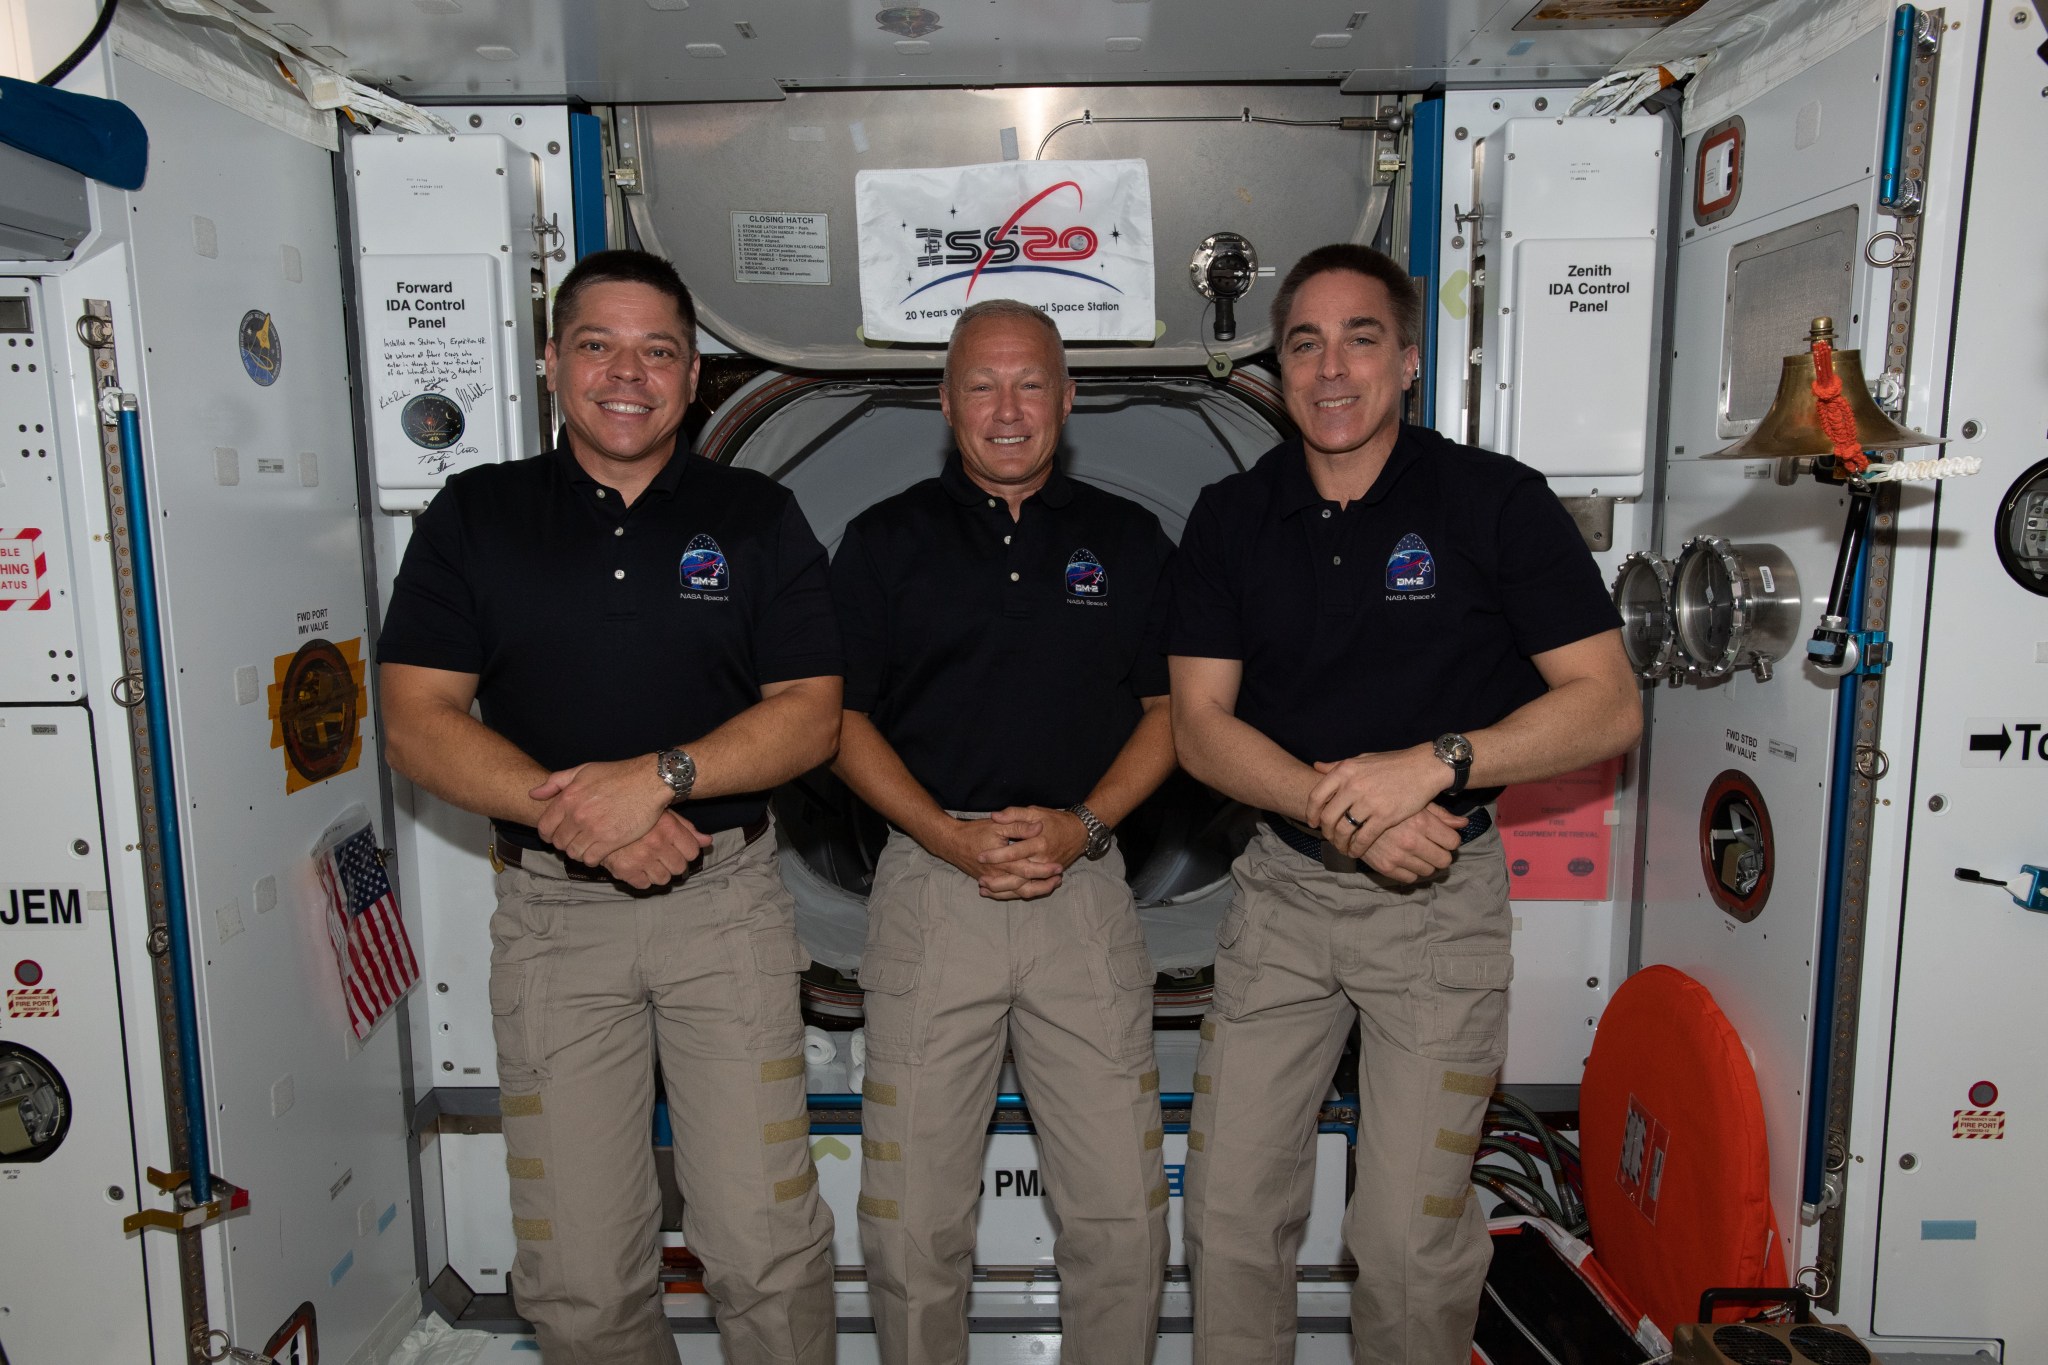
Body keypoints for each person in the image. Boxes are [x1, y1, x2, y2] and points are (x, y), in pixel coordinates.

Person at [1167, 244, 1642, 1364]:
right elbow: (1198, 726)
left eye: (1360, 338)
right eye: (1302, 343)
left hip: (1439, 904)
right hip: (1281, 898)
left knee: (1403, 1242)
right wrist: (1347, 808)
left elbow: (1605, 706)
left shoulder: (1492, 503)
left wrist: (1432, 765)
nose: (1331, 369)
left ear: (1410, 360)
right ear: (1279, 369)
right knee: (1227, 1217)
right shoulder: (1231, 515)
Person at [378, 249, 840, 1365]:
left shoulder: (757, 514)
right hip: (554, 921)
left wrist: (656, 780)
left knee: (764, 1248)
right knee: (579, 1276)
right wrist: (580, 819)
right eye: (597, 344)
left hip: (723, 911)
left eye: (658, 352)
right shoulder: (474, 516)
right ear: (550, 363)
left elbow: (811, 714)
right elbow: (416, 719)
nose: (626, 373)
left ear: (691, 379)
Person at [829, 299, 1178, 1365]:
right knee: (911, 1215)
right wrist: (944, 834)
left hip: (1082, 886)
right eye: (981, 385)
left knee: (1120, 1212)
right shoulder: (884, 542)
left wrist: (1081, 827)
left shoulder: (1125, 540)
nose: (1007, 408)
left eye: (1031, 383)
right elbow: (834, 721)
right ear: (945, 404)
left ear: (1067, 400)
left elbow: (1172, 717)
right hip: (936, 890)